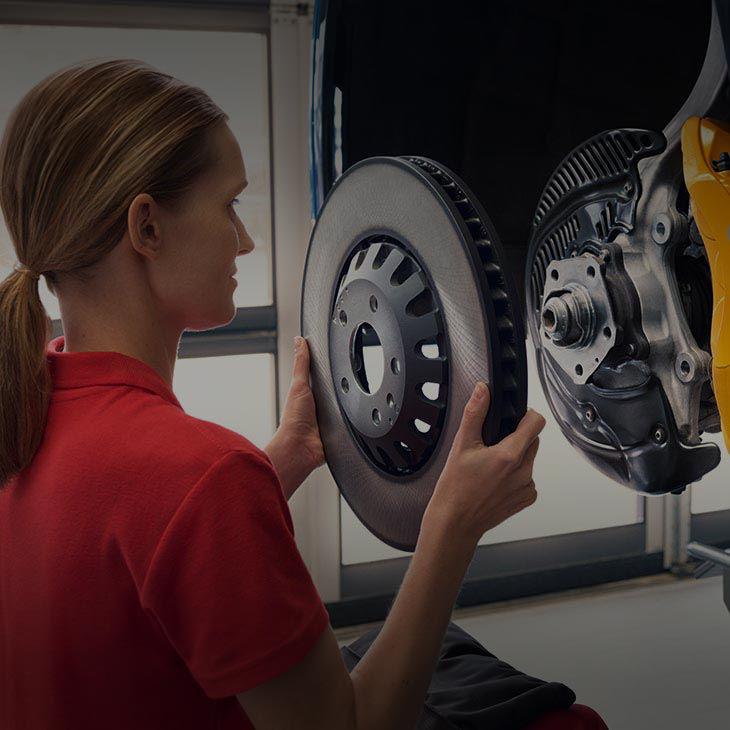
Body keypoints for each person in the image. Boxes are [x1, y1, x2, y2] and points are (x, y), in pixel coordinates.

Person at [0, 59, 597, 729]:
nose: (246, 240)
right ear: (147, 228)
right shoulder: (198, 475)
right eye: (229, 206)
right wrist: (451, 528)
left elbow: (129, 567)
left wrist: (283, 457)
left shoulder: (22, 416)